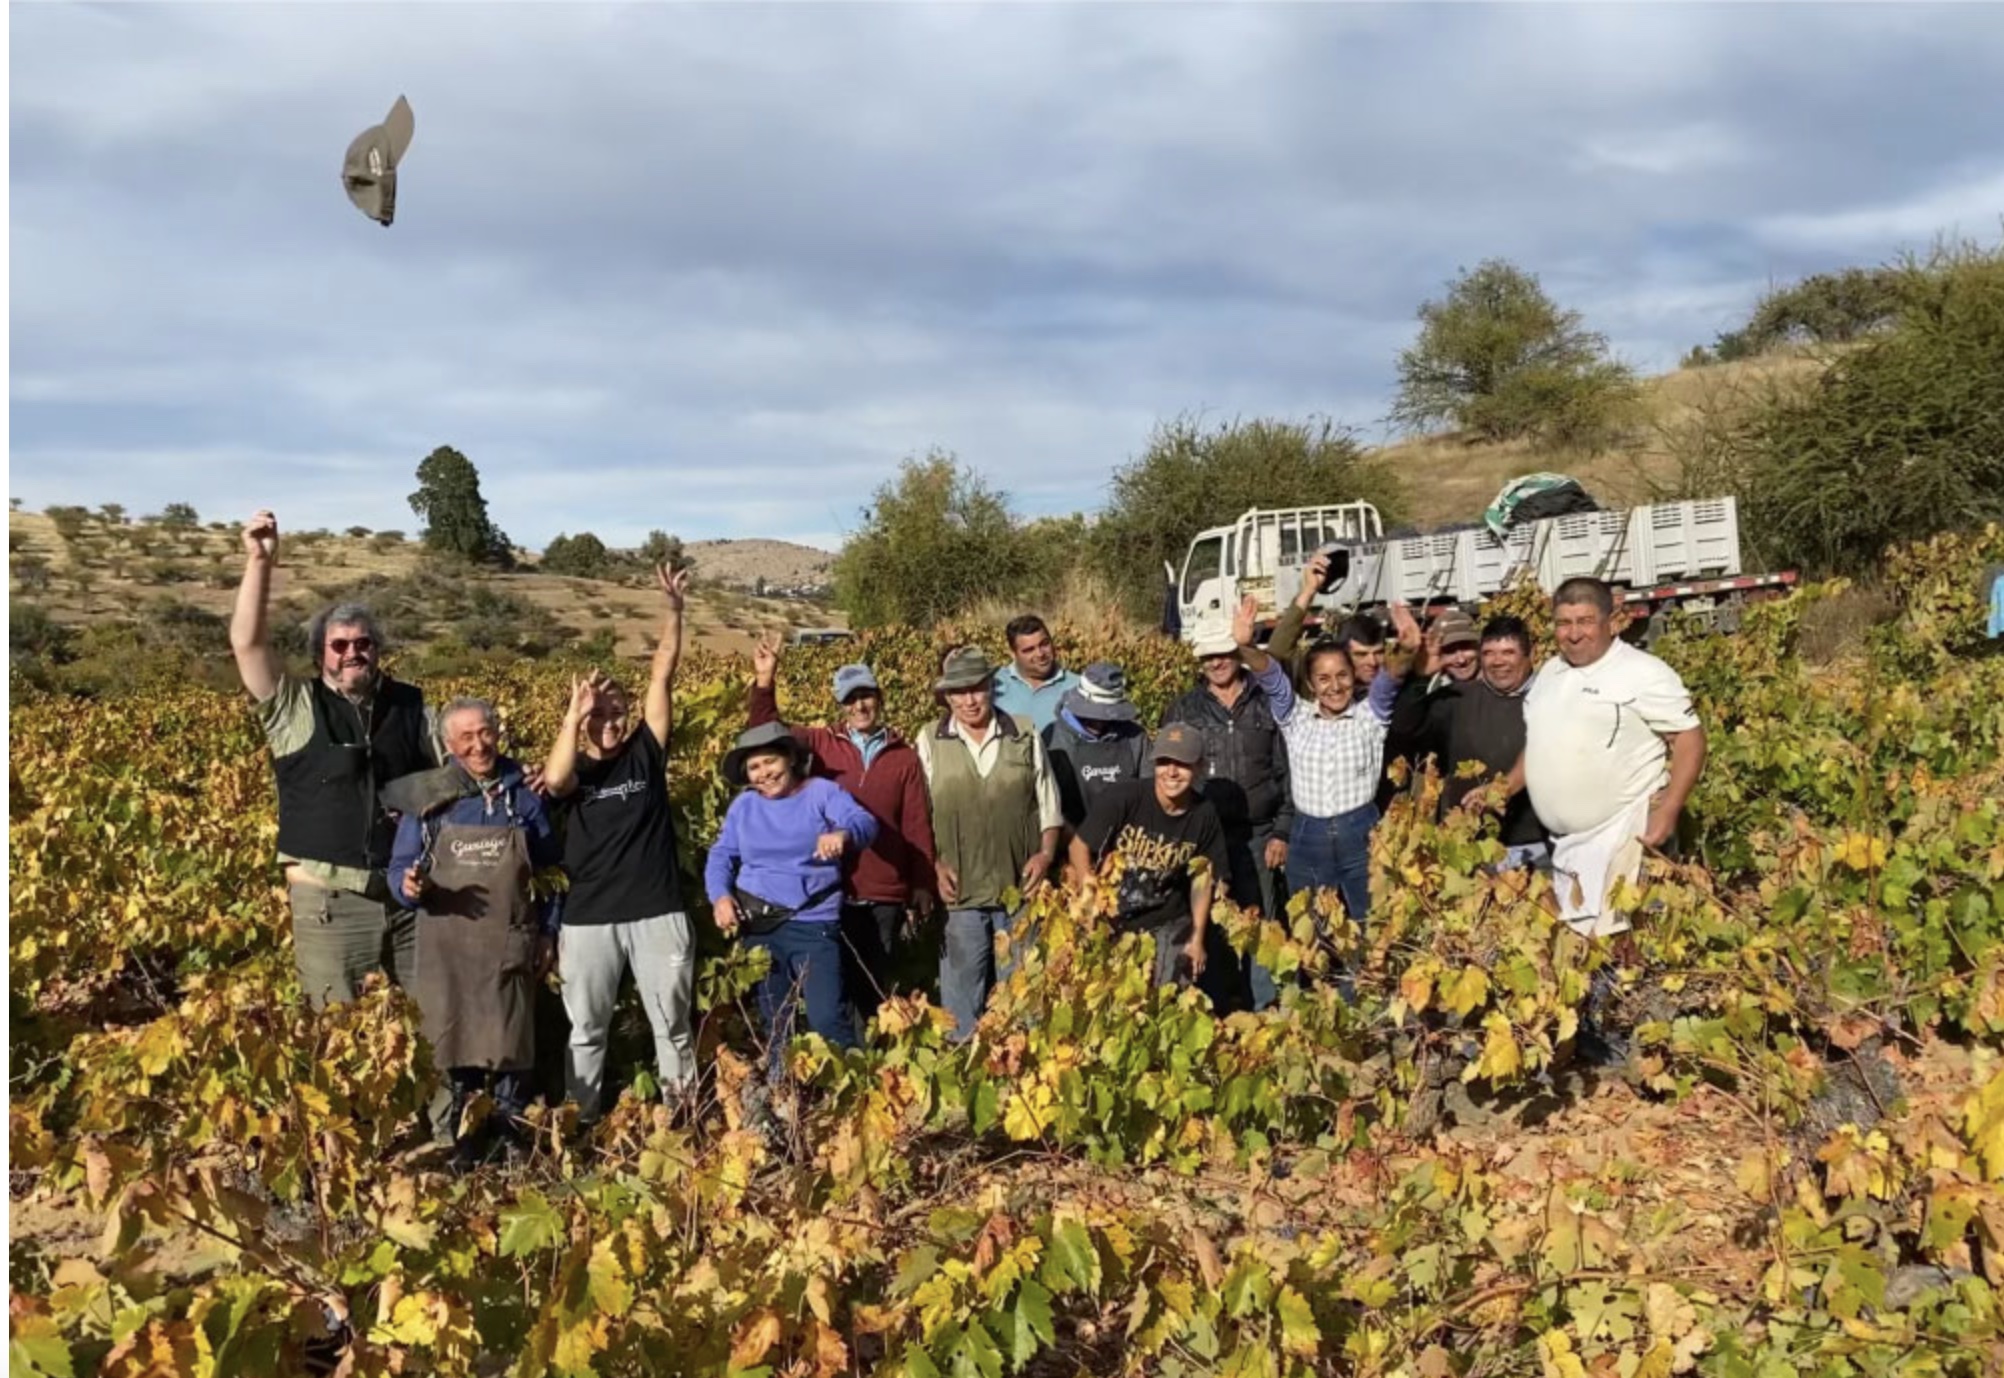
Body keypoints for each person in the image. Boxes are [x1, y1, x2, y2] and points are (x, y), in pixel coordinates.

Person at [229, 508, 442, 1009]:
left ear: (377, 650)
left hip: (408, 896)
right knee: (339, 1040)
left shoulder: (410, 706)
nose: (352, 653)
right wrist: (260, 562)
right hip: (330, 901)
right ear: (320, 652)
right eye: (339, 644)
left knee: (427, 1031)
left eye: (362, 643)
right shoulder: (294, 707)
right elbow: (247, 643)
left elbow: (458, 773)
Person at [539, 564, 697, 1123]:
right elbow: (556, 784)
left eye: (616, 714)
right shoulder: (574, 767)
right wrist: (573, 713)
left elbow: (662, 673)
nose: (609, 723)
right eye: (599, 716)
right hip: (588, 919)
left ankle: (682, 1119)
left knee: (673, 1026)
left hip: (656, 912)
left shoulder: (645, 753)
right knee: (586, 1030)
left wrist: (673, 611)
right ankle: (581, 1122)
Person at [384, 698, 562, 1169]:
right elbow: (399, 868)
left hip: (510, 936)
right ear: (449, 744)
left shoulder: (523, 794)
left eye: (485, 732)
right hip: (449, 942)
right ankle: (466, 1138)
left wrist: (548, 932)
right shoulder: (428, 798)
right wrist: (407, 887)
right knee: (456, 1038)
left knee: (512, 1040)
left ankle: (511, 1132)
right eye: (467, 737)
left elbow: (549, 872)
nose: (479, 744)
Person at [747, 633, 937, 1028]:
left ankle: (872, 1075)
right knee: (832, 994)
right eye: (851, 699)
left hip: (883, 892)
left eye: (866, 695)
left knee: (873, 990)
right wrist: (765, 682)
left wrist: (921, 883)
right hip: (830, 891)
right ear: (841, 705)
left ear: (879, 698)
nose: (860, 705)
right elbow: (765, 733)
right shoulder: (819, 745)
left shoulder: (904, 758)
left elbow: (916, 825)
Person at [1509, 577, 1707, 936]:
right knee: (1582, 955)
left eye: (1585, 621)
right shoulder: (1550, 674)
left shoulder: (1643, 673)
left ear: (1609, 621)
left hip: (1624, 837)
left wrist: (1668, 810)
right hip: (1568, 847)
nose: (1573, 634)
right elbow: (1539, 742)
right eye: (1564, 623)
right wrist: (1504, 787)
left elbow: (1689, 739)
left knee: (1625, 951)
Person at [705, 722, 880, 1079]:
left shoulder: (821, 793)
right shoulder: (744, 807)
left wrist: (843, 835)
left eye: (770, 761)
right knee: (775, 1019)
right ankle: (786, 1096)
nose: (764, 773)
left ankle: (852, 1093)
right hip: (760, 927)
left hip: (813, 922)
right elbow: (721, 855)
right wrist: (720, 897)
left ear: (790, 759)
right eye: (754, 767)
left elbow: (864, 822)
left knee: (827, 1015)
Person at [1233, 594, 1411, 938]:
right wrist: (1245, 646)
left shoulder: (1370, 716)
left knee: (1372, 926)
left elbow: (1391, 680)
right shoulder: (1295, 716)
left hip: (1361, 831)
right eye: (1324, 679)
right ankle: (1318, 990)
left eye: (1342, 675)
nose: (1335, 686)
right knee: (1313, 933)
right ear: (1312, 684)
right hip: (1308, 836)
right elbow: (1270, 678)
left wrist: (1406, 648)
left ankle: (1368, 990)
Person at [915, 646, 1065, 1042]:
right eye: (959, 692)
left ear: (991, 689)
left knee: (1023, 996)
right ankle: (964, 1079)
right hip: (960, 891)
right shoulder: (930, 740)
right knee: (961, 1000)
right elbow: (919, 814)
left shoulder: (1024, 732)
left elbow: (1048, 801)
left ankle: (1022, 1078)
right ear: (946, 697)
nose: (969, 700)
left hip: (1019, 888)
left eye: (977, 689)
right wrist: (933, 865)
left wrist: (1046, 854)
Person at [1159, 620, 1294, 1012]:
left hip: (1259, 834)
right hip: (1205, 838)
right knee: (1210, 923)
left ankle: (1264, 1010)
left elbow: (1287, 770)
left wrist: (1282, 830)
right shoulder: (1184, 709)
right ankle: (1218, 1010)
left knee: (1261, 924)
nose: (1216, 662)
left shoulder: (1266, 701)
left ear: (1237, 653)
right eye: (1207, 657)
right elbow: (1166, 774)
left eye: (1222, 653)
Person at [1067, 724, 1229, 990]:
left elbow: (1203, 877)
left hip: (1168, 918)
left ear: (1199, 767)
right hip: (1115, 915)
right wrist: (1089, 896)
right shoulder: (1124, 797)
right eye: (1164, 762)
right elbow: (1078, 846)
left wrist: (1197, 937)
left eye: (1183, 764)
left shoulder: (1203, 814)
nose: (1172, 772)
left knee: (1173, 990)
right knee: (1112, 994)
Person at [1390, 615, 1549, 868]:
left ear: (1531, 654)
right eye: (1489, 653)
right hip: (1471, 846)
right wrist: (1418, 679)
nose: (1498, 661)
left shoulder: (1552, 697)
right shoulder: (1457, 700)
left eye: (1508, 652)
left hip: (1539, 847)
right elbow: (1404, 729)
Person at [1042, 661, 1152, 830]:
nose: (1098, 723)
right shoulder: (1052, 738)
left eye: (1106, 717)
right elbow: (1045, 804)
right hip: (1069, 841)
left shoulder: (1135, 737)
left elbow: (1149, 792)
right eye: (1091, 714)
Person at [991, 615, 1081, 733]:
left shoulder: (1077, 687)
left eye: (1044, 644)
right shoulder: (995, 683)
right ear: (1013, 654)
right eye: (1029, 650)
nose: (1040, 654)